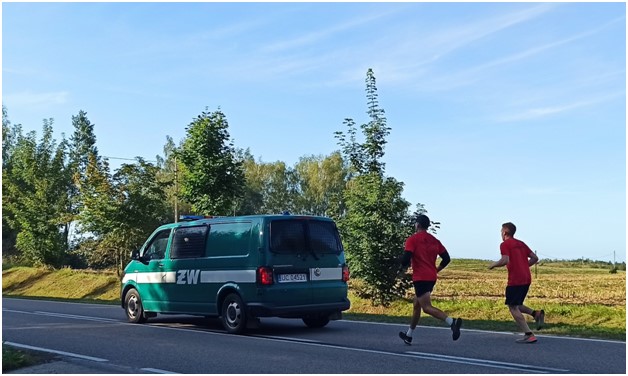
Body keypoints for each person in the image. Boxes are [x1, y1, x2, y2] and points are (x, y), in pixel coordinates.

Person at [398, 214, 462, 345]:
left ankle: (452, 322)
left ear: (418, 225)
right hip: (431, 277)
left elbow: (405, 259)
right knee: (417, 304)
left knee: (426, 307)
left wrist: (400, 269)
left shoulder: (412, 240)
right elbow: (446, 258)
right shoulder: (434, 240)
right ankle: (409, 335)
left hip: (420, 278)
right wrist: (436, 269)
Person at [489, 222, 545, 344]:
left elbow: (505, 260)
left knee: (513, 307)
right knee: (517, 304)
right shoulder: (521, 244)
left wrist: (493, 265)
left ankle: (528, 334)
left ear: (504, 232)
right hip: (526, 278)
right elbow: (535, 258)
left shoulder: (504, 244)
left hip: (515, 279)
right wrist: (525, 265)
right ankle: (536, 314)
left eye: (501, 231)